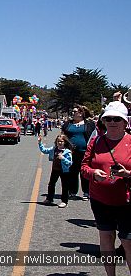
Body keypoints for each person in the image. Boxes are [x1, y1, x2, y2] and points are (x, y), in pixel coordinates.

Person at [81, 101, 131, 275]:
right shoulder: (96, 141)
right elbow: (84, 167)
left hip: (126, 202)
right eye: (108, 118)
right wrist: (93, 173)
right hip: (100, 199)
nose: (112, 122)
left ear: (125, 122)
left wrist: (128, 174)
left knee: (128, 242)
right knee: (106, 238)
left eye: (117, 119)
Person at [62, 105, 96, 200]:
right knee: (72, 172)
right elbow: (63, 136)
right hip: (71, 152)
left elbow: (94, 136)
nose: (73, 113)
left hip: (85, 152)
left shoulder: (89, 124)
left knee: (84, 172)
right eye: (73, 111)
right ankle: (72, 191)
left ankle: (86, 192)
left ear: (81, 113)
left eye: (75, 111)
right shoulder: (67, 124)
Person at [38, 134, 73, 208]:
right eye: (58, 141)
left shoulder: (67, 152)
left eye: (61, 141)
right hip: (55, 170)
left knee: (65, 186)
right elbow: (44, 150)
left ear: (65, 142)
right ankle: (49, 199)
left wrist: (63, 158)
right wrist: (40, 143)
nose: (60, 143)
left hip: (64, 171)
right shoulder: (54, 149)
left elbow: (70, 163)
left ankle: (64, 201)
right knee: (51, 184)